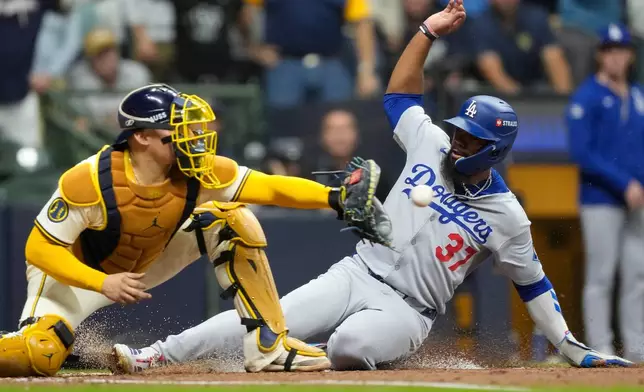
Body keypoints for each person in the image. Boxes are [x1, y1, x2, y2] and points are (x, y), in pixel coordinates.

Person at [113, 1, 632, 372]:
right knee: (266, 314)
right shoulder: (432, 144)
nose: (457, 143)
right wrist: (425, 33)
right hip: (359, 270)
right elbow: (398, 96)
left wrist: (567, 344)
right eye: (458, 133)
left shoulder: (507, 215)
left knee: (348, 346)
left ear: (494, 150)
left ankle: (302, 355)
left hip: (409, 311)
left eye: (471, 141)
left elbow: (533, 283)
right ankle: (156, 354)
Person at [0, 83, 391, 377]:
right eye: (177, 128)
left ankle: (268, 347)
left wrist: (335, 198)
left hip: (144, 263)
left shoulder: (197, 170)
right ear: (142, 137)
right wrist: (102, 283)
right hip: (74, 276)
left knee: (232, 218)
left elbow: (269, 186)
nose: (192, 136)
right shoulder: (88, 179)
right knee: (38, 355)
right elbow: (38, 250)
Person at [567, 23, 644, 362]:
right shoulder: (587, 96)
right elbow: (582, 153)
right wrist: (623, 182)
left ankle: (637, 348)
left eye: (622, 50)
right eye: (610, 50)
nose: (616, 57)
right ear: (601, 55)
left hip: (637, 198)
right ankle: (600, 347)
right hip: (601, 199)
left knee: (637, 274)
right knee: (601, 274)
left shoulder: (638, 95)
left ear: (630, 55)